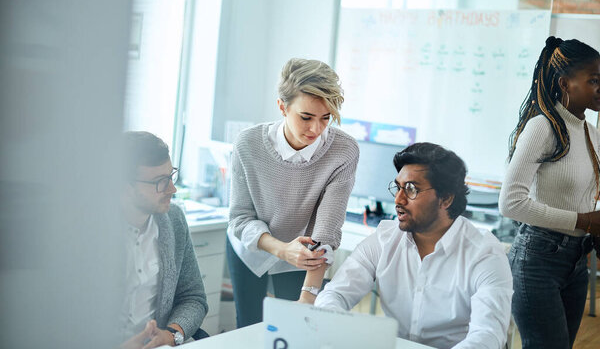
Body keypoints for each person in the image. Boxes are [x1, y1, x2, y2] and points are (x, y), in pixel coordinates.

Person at [315, 142, 513, 349]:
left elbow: (487, 336)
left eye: (411, 189)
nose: (398, 199)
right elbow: (335, 294)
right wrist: (337, 327)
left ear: (445, 199)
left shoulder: (484, 253)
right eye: (398, 187)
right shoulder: (385, 238)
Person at [227, 58, 359, 327]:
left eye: (326, 118)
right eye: (306, 117)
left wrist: (309, 296)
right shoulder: (248, 143)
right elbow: (240, 218)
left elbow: (326, 230)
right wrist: (282, 249)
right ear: (282, 107)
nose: (316, 129)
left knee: (298, 328)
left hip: (305, 254)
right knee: (250, 327)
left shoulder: (343, 151)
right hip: (253, 247)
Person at [499, 36, 600, 349]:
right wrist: (583, 220)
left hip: (576, 261)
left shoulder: (592, 133)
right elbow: (511, 203)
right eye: (595, 80)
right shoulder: (542, 128)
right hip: (537, 260)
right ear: (565, 83)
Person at [120, 131, 208, 348]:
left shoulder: (174, 219)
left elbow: (193, 297)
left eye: (171, 176)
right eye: (160, 181)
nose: (172, 189)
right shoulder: (88, 232)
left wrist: (171, 335)